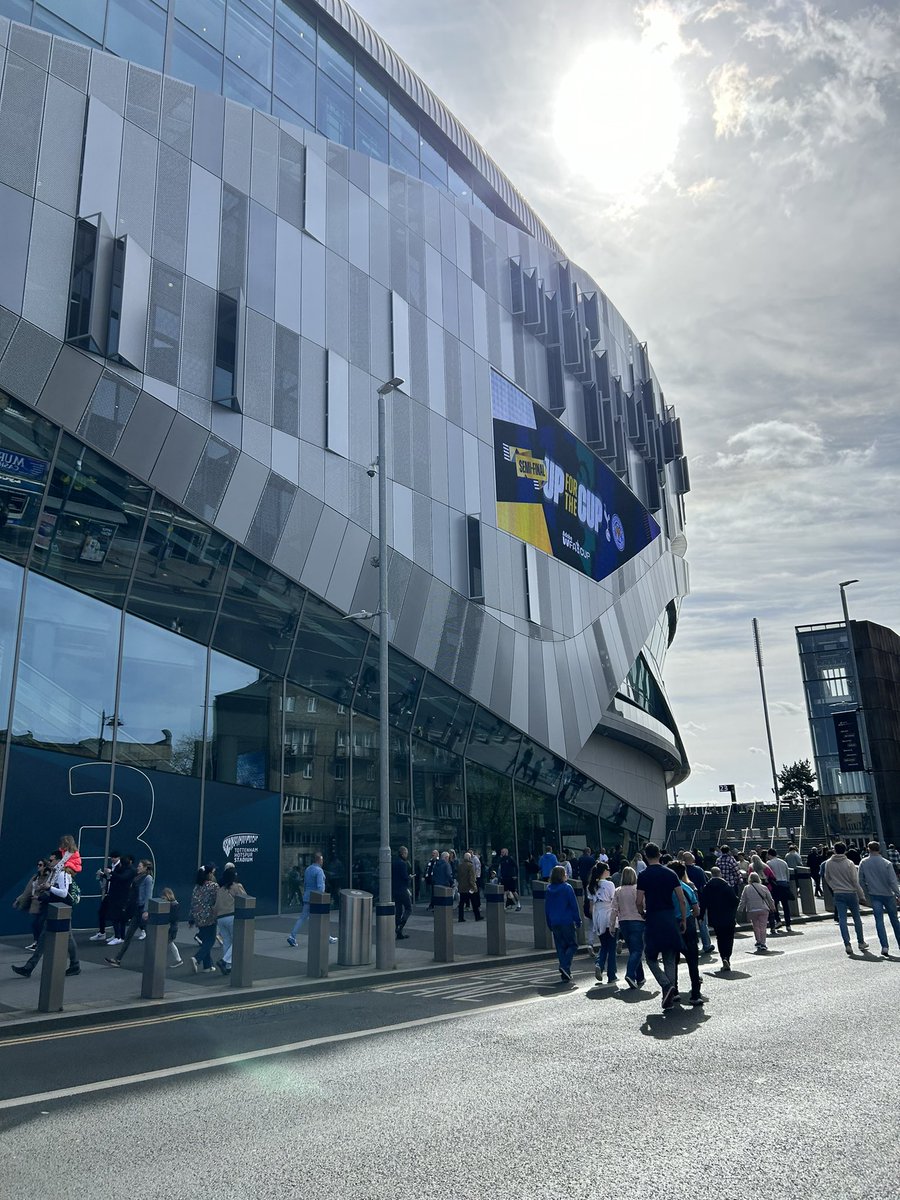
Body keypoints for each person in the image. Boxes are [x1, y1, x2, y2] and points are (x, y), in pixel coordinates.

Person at [12, 852, 81, 978]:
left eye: (52, 860)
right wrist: (43, 894)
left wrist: (49, 888)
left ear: (59, 861)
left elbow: (63, 893)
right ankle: (29, 967)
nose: (50, 862)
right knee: (45, 939)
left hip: (62, 911)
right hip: (55, 910)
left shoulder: (62, 874)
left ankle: (74, 965)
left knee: (63, 939)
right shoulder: (55, 874)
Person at [636, 842, 686, 1010]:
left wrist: (642, 913)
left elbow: (638, 901)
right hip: (670, 918)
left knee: (650, 957)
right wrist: (683, 919)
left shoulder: (643, 875)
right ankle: (669, 995)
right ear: (659, 854)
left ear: (646, 856)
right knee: (669, 958)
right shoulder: (671, 873)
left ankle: (666, 985)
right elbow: (681, 899)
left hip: (653, 918)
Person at [105, 859, 154, 966]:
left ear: (145, 867)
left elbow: (148, 895)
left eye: (140, 866)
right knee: (129, 935)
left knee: (152, 937)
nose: (138, 867)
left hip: (142, 910)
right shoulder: (137, 877)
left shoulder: (148, 878)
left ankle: (154, 960)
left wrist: (146, 911)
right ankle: (118, 959)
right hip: (136, 909)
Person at [670, 861, 706, 1005]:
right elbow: (696, 909)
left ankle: (674, 992)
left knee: (672, 960)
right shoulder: (686, 888)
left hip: (671, 925)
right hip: (688, 924)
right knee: (692, 960)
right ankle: (695, 994)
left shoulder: (665, 890)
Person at [823, 841, 869, 954]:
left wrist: (834, 887)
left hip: (838, 892)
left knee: (842, 919)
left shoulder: (828, 863)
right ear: (845, 850)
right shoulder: (849, 863)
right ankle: (861, 942)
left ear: (834, 850)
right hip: (851, 892)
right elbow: (855, 880)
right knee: (856, 918)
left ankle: (847, 944)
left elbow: (827, 877)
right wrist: (861, 895)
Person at [858, 842, 900, 956]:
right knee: (894, 920)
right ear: (879, 849)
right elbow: (893, 881)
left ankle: (884, 946)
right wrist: (898, 894)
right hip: (888, 894)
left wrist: (866, 893)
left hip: (874, 894)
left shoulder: (864, 862)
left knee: (879, 921)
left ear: (868, 849)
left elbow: (860, 880)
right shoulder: (886, 863)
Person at [287, 853, 337, 947]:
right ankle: (328, 937)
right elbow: (320, 886)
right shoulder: (319, 871)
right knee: (322, 918)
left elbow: (305, 883)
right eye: (322, 860)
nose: (322, 861)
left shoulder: (308, 869)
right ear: (319, 860)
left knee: (302, 918)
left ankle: (292, 936)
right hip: (317, 898)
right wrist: (322, 898)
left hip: (307, 897)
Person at [609, 866, 645, 988]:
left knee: (633, 950)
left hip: (623, 922)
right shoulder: (637, 889)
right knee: (637, 950)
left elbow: (614, 910)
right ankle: (630, 974)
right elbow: (644, 904)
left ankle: (640, 977)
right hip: (637, 921)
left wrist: (612, 926)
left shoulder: (618, 890)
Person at [545, 864, 581, 982]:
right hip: (567, 921)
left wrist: (549, 922)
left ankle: (565, 974)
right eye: (565, 873)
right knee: (573, 945)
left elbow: (547, 908)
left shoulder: (549, 889)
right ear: (562, 876)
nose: (566, 875)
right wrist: (578, 920)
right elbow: (573, 905)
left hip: (554, 922)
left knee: (560, 947)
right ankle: (564, 966)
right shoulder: (567, 887)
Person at [212, 864, 247, 975]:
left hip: (220, 918)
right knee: (237, 940)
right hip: (232, 916)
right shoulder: (236, 886)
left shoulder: (220, 889)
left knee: (227, 941)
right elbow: (246, 898)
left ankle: (228, 966)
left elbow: (216, 906)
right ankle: (224, 961)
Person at [703, 866, 739, 971]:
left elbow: (703, 902)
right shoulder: (726, 886)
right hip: (728, 916)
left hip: (715, 917)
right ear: (720, 874)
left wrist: (701, 916)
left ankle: (723, 957)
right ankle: (727, 957)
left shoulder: (707, 887)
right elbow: (735, 901)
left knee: (720, 937)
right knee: (729, 938)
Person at [587, 861, 617, 984]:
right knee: (612, 946)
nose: (609, 871)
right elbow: (614, 902)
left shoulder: (591, 885)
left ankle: (599, 964)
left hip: (598, 916)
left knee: (604, 945)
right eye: (608, 869)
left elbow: (591, 907)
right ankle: (611, 975)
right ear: (604, 871)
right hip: (609, 915)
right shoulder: (609, 884)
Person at [681, 850, 714, 955]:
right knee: (702, 923)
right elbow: (704, 885)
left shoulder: (681, 870)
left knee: (688, 924)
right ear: (693, 859)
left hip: (684, 900)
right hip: (698, 899)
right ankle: (706, 945)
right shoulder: (699, 870)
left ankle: (690, 946)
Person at [14, 857, 50, 949]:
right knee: (35, 924)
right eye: (38, 865)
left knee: (40, 924)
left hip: (43, 903)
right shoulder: (35, 877)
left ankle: (41, 943)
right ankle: (36, 942)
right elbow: (28, 890)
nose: (38, 866)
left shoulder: (48, 877)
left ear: (45, 866)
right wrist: (19, 899)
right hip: (35, 904)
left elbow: (48, 890)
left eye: (40, 865)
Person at [738, 871, 775, 953]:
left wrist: (740, 909)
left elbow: (743, 900)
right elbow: (770, 898)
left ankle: (758, 941)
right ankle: (763, 943)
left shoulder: (747, 888)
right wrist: (772, 907)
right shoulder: (763, 887)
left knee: (756, 926)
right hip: (763, 909)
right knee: (763, 927)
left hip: (752, 910)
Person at [190, 866, 219, 972]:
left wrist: (191, 918)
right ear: (209, 874)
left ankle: (207, 966)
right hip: (209, 916)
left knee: (205, 940)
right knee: (210, 940)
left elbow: (193, 903)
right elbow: (217, 900)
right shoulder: (213, 886)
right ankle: (197, 958)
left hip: (198, 916)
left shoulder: (197, 887)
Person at [104, 853, 136, 946]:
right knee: (120, 917)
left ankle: (118, 937)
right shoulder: (125, 870)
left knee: (117, 917)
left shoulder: (130, 871)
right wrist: (105, 875)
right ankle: (120, 936)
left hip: (122, 897)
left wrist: (111, 872)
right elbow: (116, 879)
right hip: (119, 896)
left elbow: (121, 878)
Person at [765, 848, 794, 935]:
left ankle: (778, 920)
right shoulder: (783, 862)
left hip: (775, 885)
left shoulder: (769, 863)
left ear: (769, 855)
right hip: (784, 884)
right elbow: (787, 874)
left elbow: (768, 875)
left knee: (774, 904)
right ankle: (788, 924)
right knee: (785, 905)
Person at [392, 846, 413, 939]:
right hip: (402, 889)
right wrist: (410, 877)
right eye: (406, 853)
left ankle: (398, 932)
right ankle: (401, 925)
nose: (407, 855)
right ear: (403, 853)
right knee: (408, 908)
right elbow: (405, 877)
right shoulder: (403, 864)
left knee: (398, 910)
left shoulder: (394, 863)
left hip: (395, 890)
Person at [456, 852, 482, 922]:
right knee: (474, 902)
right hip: (469, 887)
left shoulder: (460, 866)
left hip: (462, 887)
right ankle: (477, 916)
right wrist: (474, 887)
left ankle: (460, 917)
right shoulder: (470, 866)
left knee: (461, 903)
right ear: (469, 858)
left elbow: (458, 877)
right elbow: (472, 878)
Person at [162, 887, 182, 966]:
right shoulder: (174, 904)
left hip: (171, 927)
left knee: (168, 943)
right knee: (170, 943)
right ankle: (178, 959)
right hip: (172, 927)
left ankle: (178, 959)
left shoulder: (173, 905)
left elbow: (173, 918)